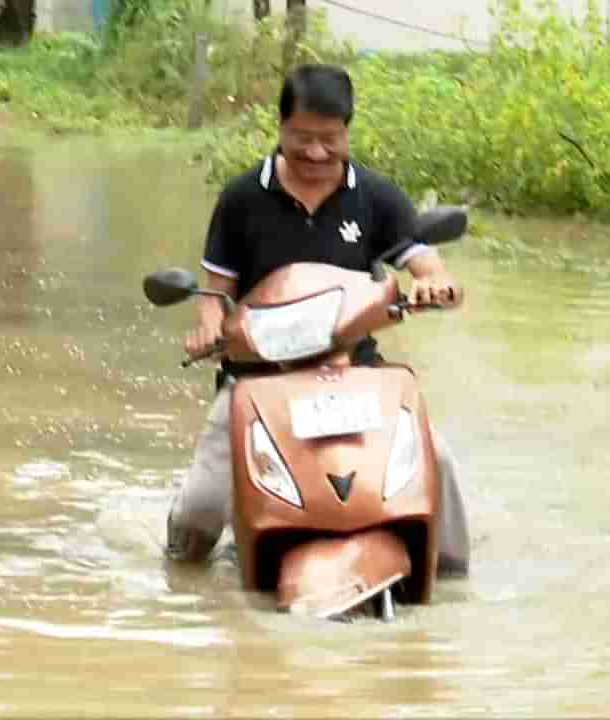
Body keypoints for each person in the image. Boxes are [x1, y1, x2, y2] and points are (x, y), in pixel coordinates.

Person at [165, 63, 472, 577]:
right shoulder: (242, 198)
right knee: (201, 506)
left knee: (435, 461)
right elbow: (215, 295)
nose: (315, 152)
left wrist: (430, 283)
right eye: (301, 137)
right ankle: (178, 566)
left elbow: (425, 262)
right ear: (280, 127)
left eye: (329, 139)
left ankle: (449, 573)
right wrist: (208, 325)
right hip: (258, 380)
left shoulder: (377, 198)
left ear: (348, 131)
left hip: (356, 374)